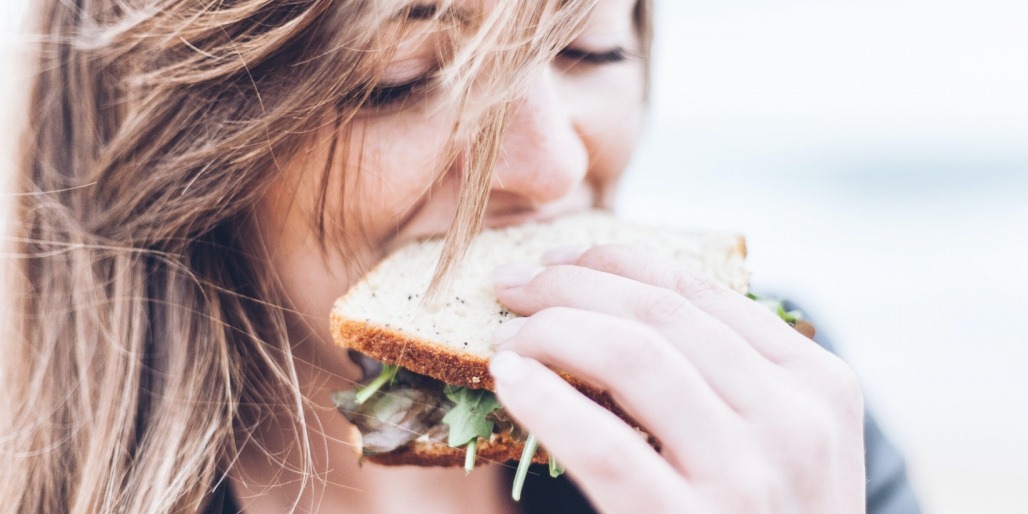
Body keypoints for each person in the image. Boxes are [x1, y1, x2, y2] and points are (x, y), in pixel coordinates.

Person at [0, 0, 920, 512]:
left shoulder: (775, 420)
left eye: (591, 50)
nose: (556, 165)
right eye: (401, 81)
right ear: (182, 140)